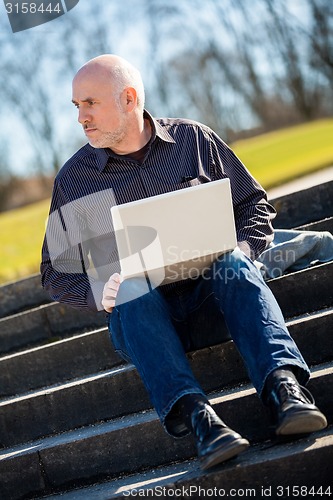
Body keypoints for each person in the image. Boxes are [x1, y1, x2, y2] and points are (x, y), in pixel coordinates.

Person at [41, 54, 327, 471]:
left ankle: (285, 390)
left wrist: (243, 255)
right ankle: (202, 421)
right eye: (76, 107)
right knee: (132, 286)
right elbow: (54, 270)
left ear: (128, 98)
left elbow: (252, 206)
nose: (81, 117)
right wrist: (94, 291)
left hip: (218, 302)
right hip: (146, 321)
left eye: (90, 103)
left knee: (232, 259)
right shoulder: (74, 179)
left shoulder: (195, 141)